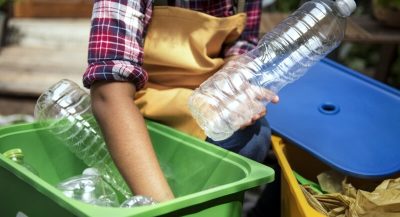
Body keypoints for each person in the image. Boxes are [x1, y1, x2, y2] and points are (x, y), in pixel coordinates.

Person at [83, 0, 278, 203]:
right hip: (141, 104)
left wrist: (237, 87)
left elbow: (240, 48)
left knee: (253, 136)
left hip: (204, 100)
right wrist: (163, 207)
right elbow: (109, 94)